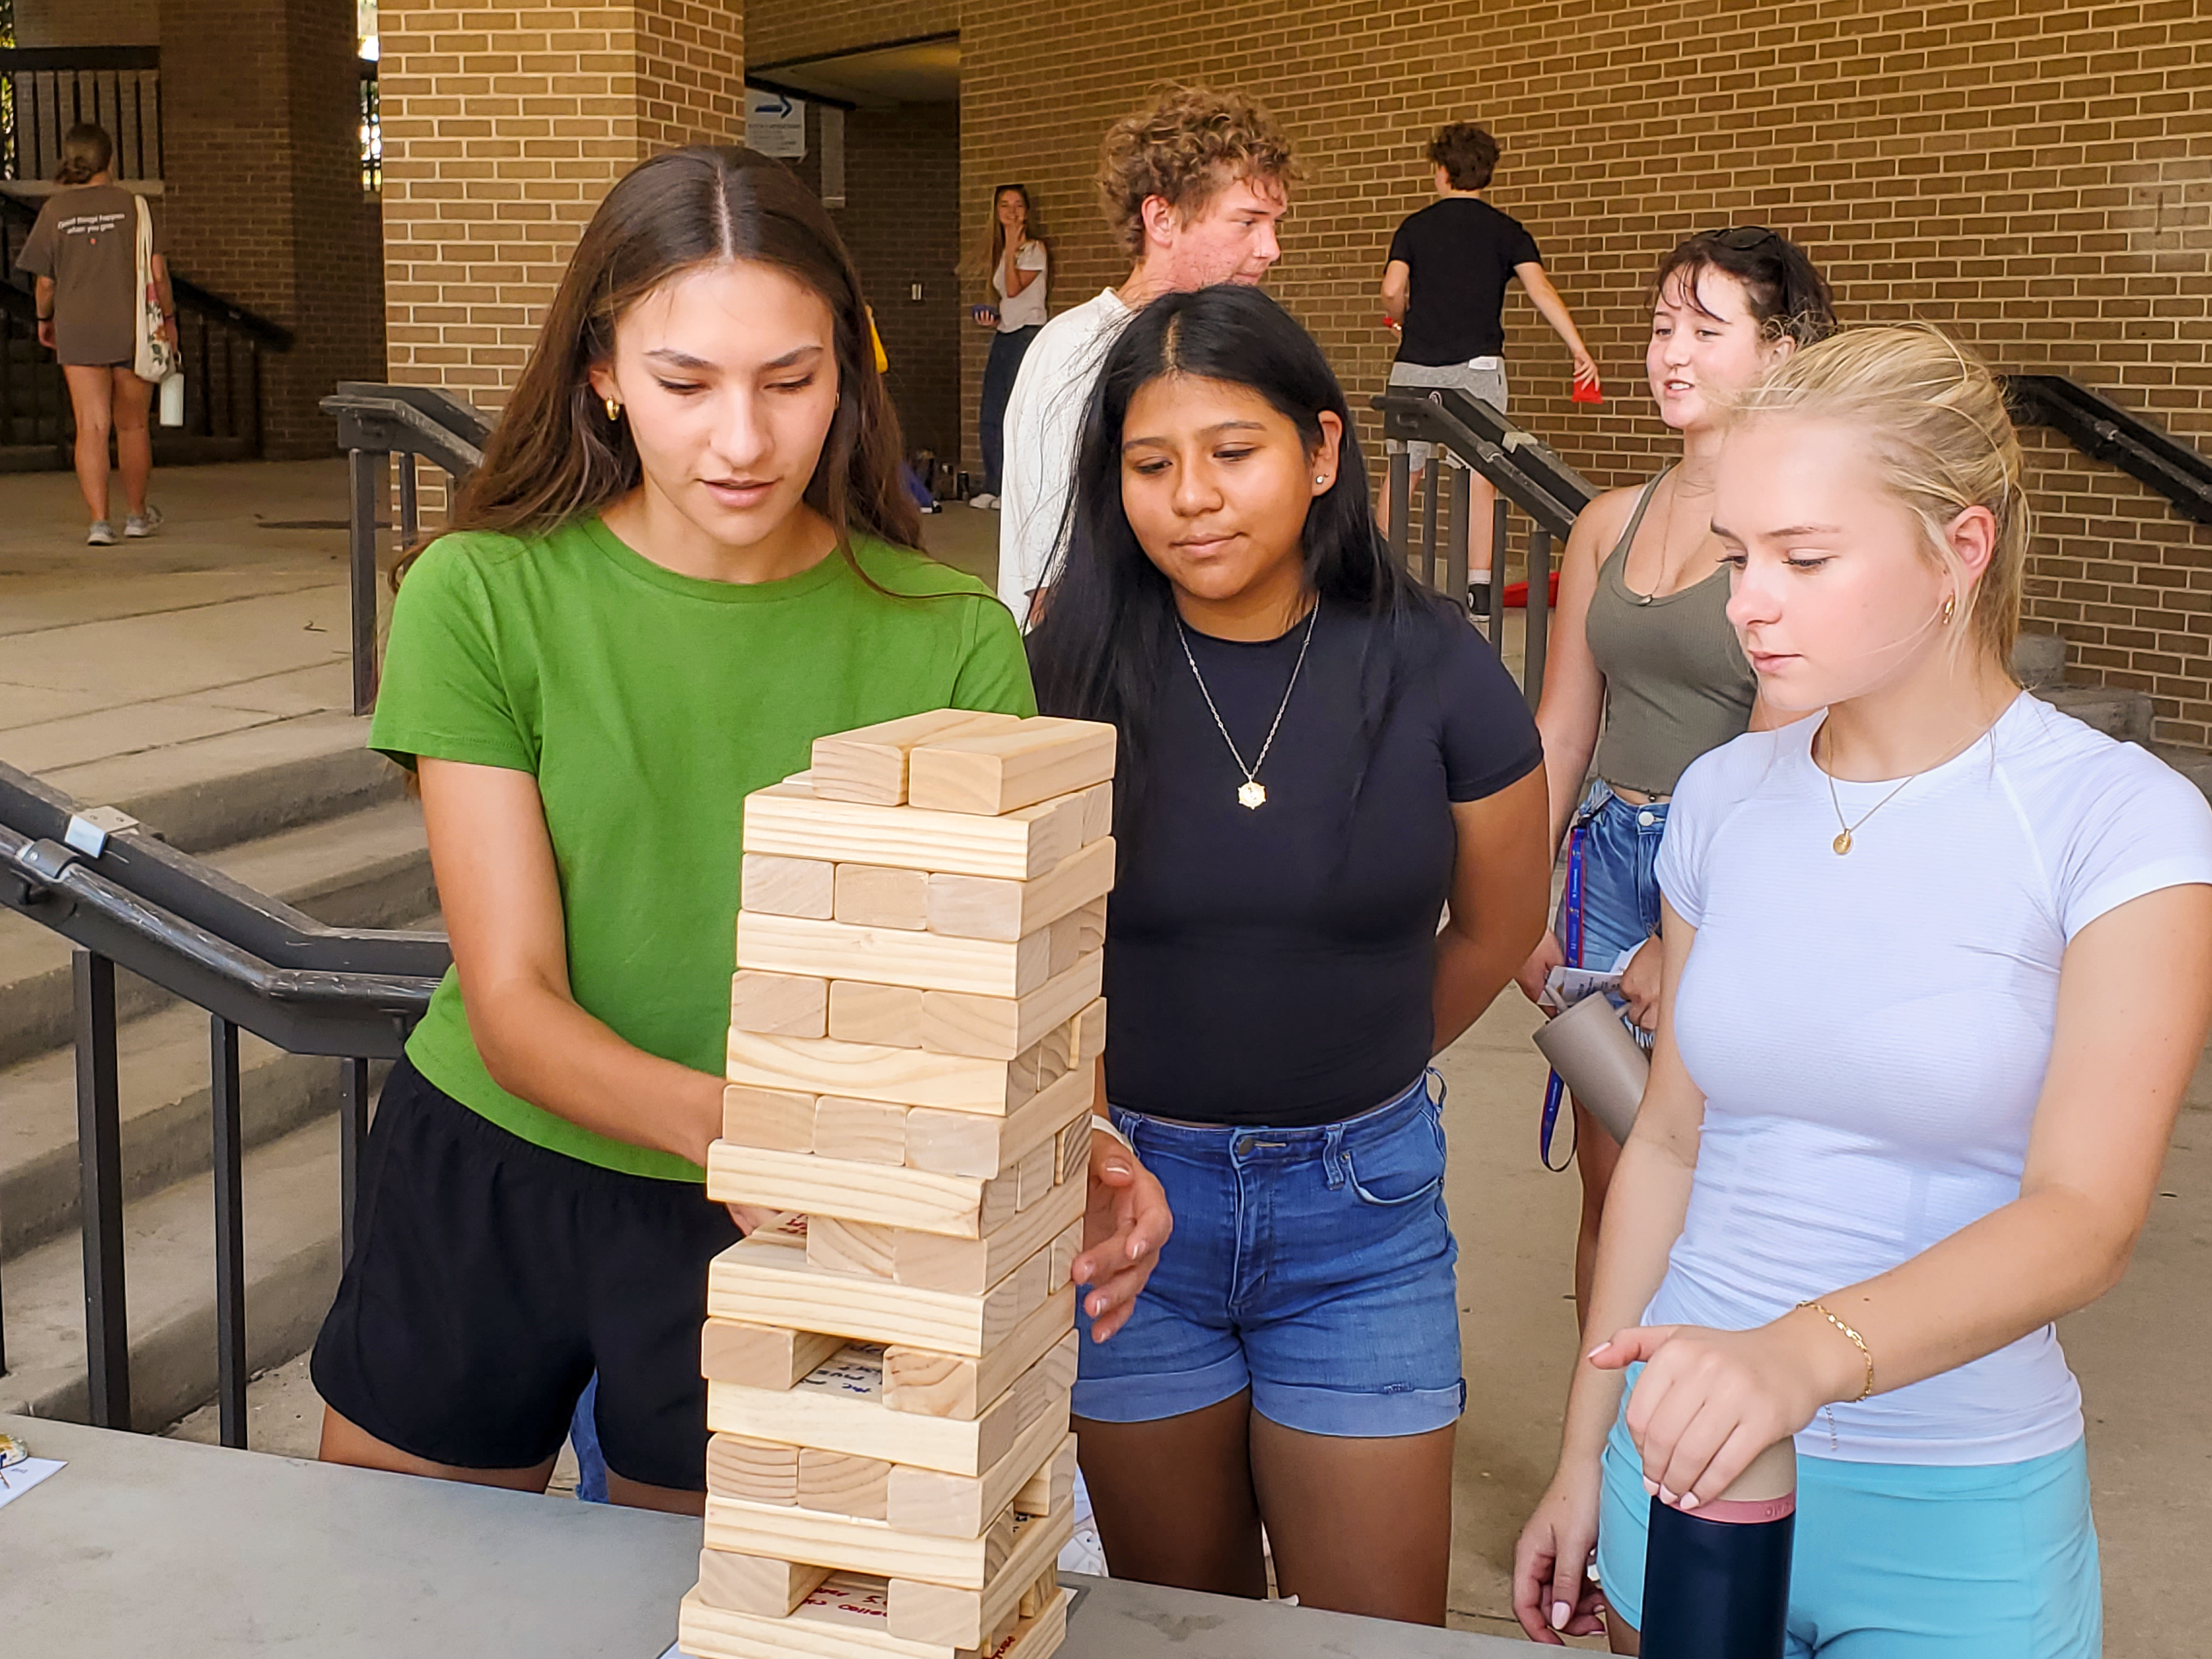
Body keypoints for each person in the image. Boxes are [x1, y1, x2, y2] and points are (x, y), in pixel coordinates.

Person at [309, 145, 1170, 1513]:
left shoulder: (950, 641)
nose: (743, 440)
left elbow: (1007, 990)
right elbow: (518, 1006)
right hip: (501, 1167)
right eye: (684, 383)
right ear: (600, 371)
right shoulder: (479, 596)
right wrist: (770, 1142)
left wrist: (1092, 1141)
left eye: (790, 381)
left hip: (800, 1216)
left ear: (846, 373)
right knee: (407, 1594)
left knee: (720, 1605)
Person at [1511, 324, 2212, 1654]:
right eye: (1736, 556)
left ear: (1961, 551)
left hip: (1956, 1511)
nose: (1747, 603)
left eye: (1805, 559)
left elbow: (2088, 1215)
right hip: (1682, 1468)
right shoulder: (1724, 797)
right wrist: (1581, 1455)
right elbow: (1668, 1140)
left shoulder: (2119, 822)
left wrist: (1801, 1356)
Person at [1028, 283, 1553, 1623]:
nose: (1192, 497)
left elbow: (1499, 924)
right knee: (1182, 1625)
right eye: (1151, 466)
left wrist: (1354, 1055)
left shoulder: (1435, 664)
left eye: (1234, 453)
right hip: (1126, 1209)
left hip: (1361, 1216)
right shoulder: (1062, 673)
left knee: (1379, 1638)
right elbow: (1022, 960)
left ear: (1322, 453)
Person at [1513, 228, 1836, 1323]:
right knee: (1611, 1185)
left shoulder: (1798, 532)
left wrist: (1682, 931)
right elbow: (1563, 728)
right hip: (1604, 857)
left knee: (1706, 1178)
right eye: (1661, 328)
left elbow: (1780, 751)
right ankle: (1606, 1459)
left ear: (1783, 352)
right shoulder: (1608, 521)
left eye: (1707, 329)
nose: (1671, 352)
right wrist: (1521, 897)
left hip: (1733, 872)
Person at [996, 83, 1294, 624]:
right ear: (1161, 220)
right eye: (1248, 221)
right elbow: (1050, 577)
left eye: (1275, 225)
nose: (1270, 248)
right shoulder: (1074, 352)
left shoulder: (1243, 348)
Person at [1375, 121, 1596, 577]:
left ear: (1440, 172)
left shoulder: (1416, 227)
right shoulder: (1507, 231)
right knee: (1480, 477)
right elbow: (1541, 291)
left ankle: (1380, 572)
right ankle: (1478, 585)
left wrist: (1399, 316)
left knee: (1404, 470)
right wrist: (1578, 348)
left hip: (1416, 366)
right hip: (1477, 371)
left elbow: (1392, 287)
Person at [20, 122, 174, 547]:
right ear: (112, 159)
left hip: (79, 328)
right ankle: (138, 516)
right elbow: (158, 275)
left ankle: (99, 523)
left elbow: (46, 284)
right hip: (133, 328)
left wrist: (43, 318)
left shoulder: (55, 212)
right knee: (133, 426)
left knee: (91, 426)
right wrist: (170, 322)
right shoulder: (135, 207)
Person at [967, 183, 1049, 510]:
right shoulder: (1002, 252)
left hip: (1027, 334)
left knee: (1016, 411)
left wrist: (1014, 239)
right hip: (1006, 332)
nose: (1012, 212)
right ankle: (994, 482)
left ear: (1027, 212)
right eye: (1005, 205)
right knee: (992, 411)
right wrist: (993, 319)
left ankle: (1015, 490)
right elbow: (1006, 301)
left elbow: (1015, 289)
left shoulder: (1033, 250)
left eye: (1018, 205)